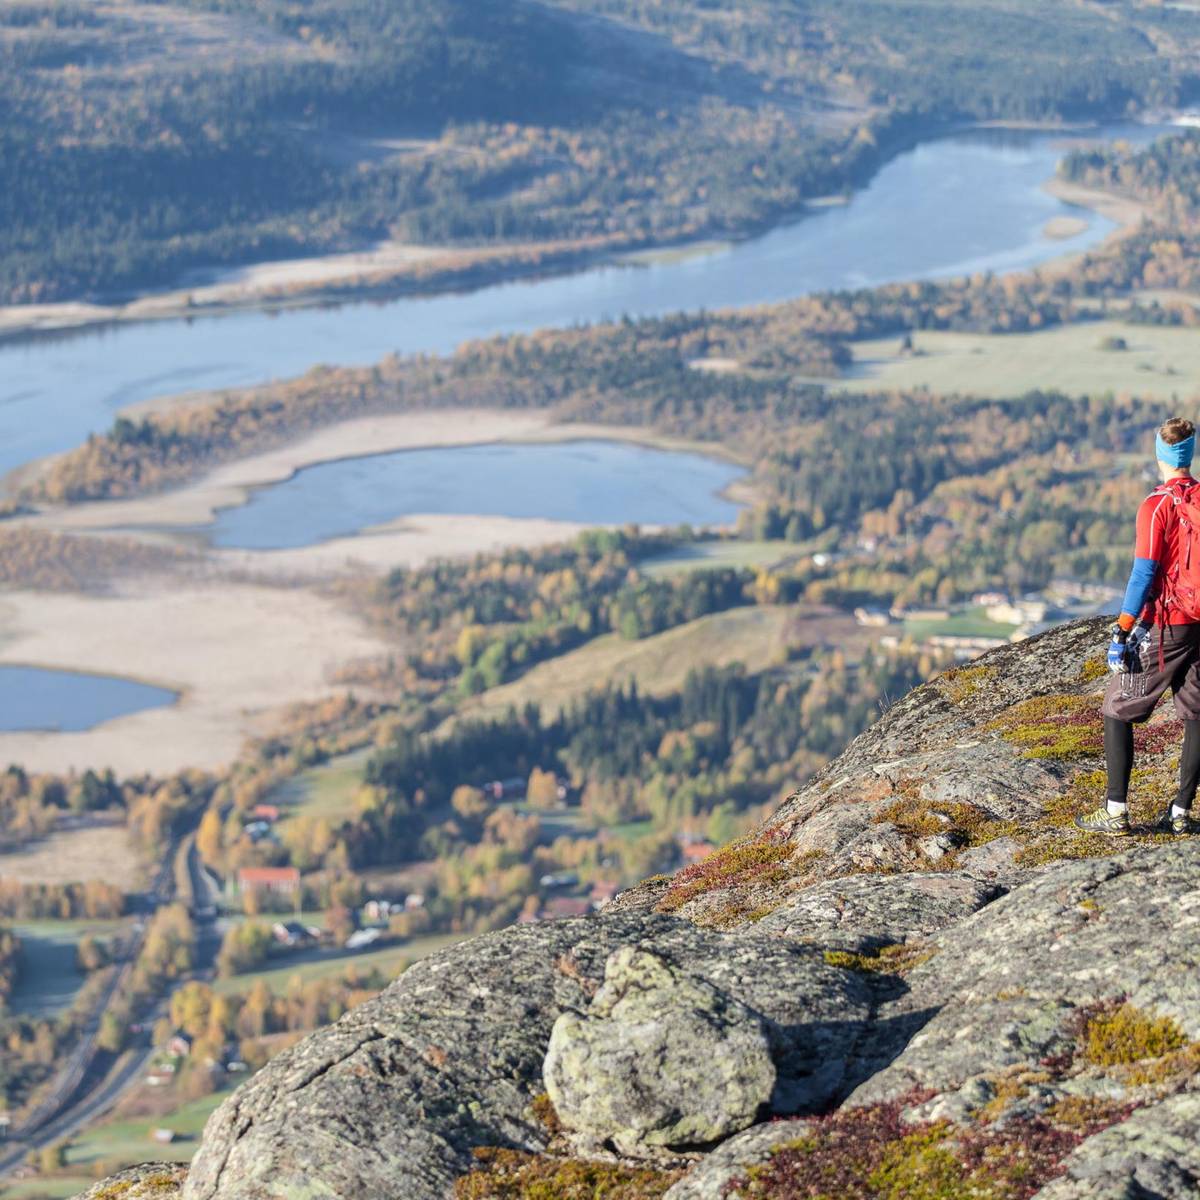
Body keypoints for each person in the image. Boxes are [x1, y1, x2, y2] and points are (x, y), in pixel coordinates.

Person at [1077, 416, 1200, 837]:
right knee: (1196, 712)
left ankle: (1115, 811)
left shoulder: (1156, 505)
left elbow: (1144, 573)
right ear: (1190, 454)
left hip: (1167, 623)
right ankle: (1181, 812)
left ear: (1160, 454)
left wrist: (1123, 628)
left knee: (1117, 706)